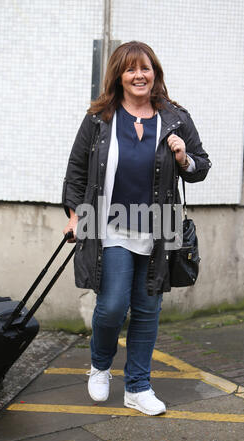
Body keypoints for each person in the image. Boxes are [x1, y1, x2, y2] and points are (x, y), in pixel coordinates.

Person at [62, 41, 211, 416]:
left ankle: (138, 387)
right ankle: (100, 365)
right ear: (120, 76)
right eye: (131, 69)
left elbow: (202, 166)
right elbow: (77, 171)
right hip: (107, 224)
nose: (139, 75)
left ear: (155, 73)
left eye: (145, 68)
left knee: (148, 309)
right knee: (112, 306)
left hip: (161, 228)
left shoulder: (175, 117)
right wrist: (75, 215)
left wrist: (184, 157)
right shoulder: (99, 118)